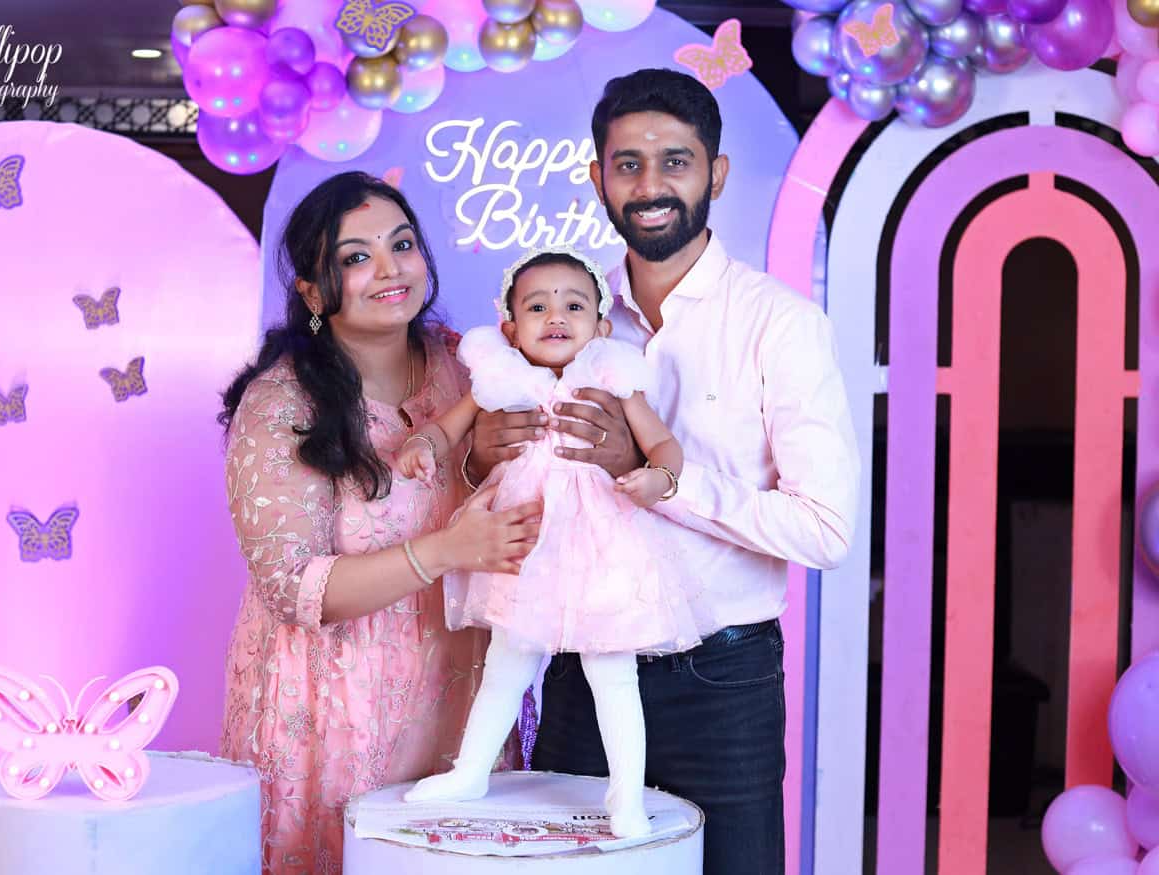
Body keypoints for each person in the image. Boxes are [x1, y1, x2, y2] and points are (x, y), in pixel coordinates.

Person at [465, 69, 861, 875]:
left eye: (675, 161)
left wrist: (655, 473)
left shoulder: (780, 325)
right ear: (597, 178)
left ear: (714, 174)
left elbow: (825, 528)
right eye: (628, 163)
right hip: (579, 662)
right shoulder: (562, 312)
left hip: (721, 681)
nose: (651, 185)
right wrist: (482, 451)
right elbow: (498, 459)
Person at [218, 171, 541, 873]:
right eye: (355, 257)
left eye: (402, 244)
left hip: (462, 707)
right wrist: (447, 549)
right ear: (311, 291)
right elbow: (295, 587)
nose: (389, 269)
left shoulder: (470, 367)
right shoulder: (280, 405)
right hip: (331, 723)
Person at [396, 246, 700, 837]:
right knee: (507, 663)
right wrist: (424, 446)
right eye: (537, 306)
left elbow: (665, 445)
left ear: (601, 325)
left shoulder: (613, 378)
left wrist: (658, 477)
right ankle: (471, 771)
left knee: (612, 671)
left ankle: (626, 796)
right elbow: (449, 427)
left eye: (574, 305)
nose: (556, 316)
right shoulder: (503, 379)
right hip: (527, 542)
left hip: (601, 541)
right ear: (510, 328)